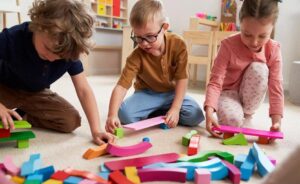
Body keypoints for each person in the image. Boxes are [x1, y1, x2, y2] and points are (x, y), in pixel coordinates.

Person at [0, 0, 115, 145]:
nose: (52, 58)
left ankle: (22, 116)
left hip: (36, 93)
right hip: (5, 89)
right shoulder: (13, 37)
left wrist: (96, 130)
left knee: (70, 120)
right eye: (48, 49)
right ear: (39, 26)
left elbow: (84, 90)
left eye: (60, 56)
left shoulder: (68, 50)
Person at [105, 0, 204, 133]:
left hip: (172, 93)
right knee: (124, 114)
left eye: (150, 37)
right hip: (147, 94)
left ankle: (162, 112)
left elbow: (182, 79)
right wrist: (112, 115)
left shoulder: (178, 44)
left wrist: (175, 108)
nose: (144, 44)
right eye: (138, 38)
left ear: (164, 27)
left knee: (195, 115)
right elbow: (122, 86)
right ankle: (159, 112)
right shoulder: (136, 56)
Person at [204, 0, 283, 138]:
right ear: (240, 23)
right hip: (228, 93)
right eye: (247, 34)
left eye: (262, 36)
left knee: (260, 68)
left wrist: (277, 122)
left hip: (249, 98)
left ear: (273, 28)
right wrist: (209, 112)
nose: (254, 42)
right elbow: (215, 81)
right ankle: (238, 115)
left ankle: (247, 115)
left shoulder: (273, 49)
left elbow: (276, 86)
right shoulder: (228, 45)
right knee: (232, 122)